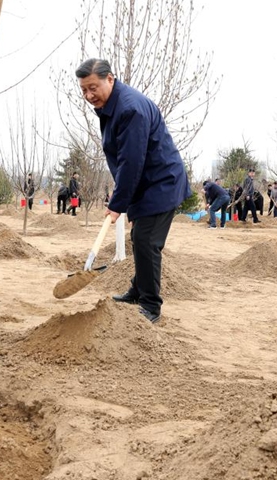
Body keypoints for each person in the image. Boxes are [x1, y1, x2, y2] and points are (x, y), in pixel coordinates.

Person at [76, 58, 190, 324]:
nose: (89, 95)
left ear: (110, 79)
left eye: (93, 87)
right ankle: (138, 291)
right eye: (84, 90)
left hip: (161, 182)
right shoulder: (113, 107)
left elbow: (131, 161)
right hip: (147, 184)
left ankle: (151, 305)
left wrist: (118, 204)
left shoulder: (130, 110)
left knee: (147, 241)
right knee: (140, 236)